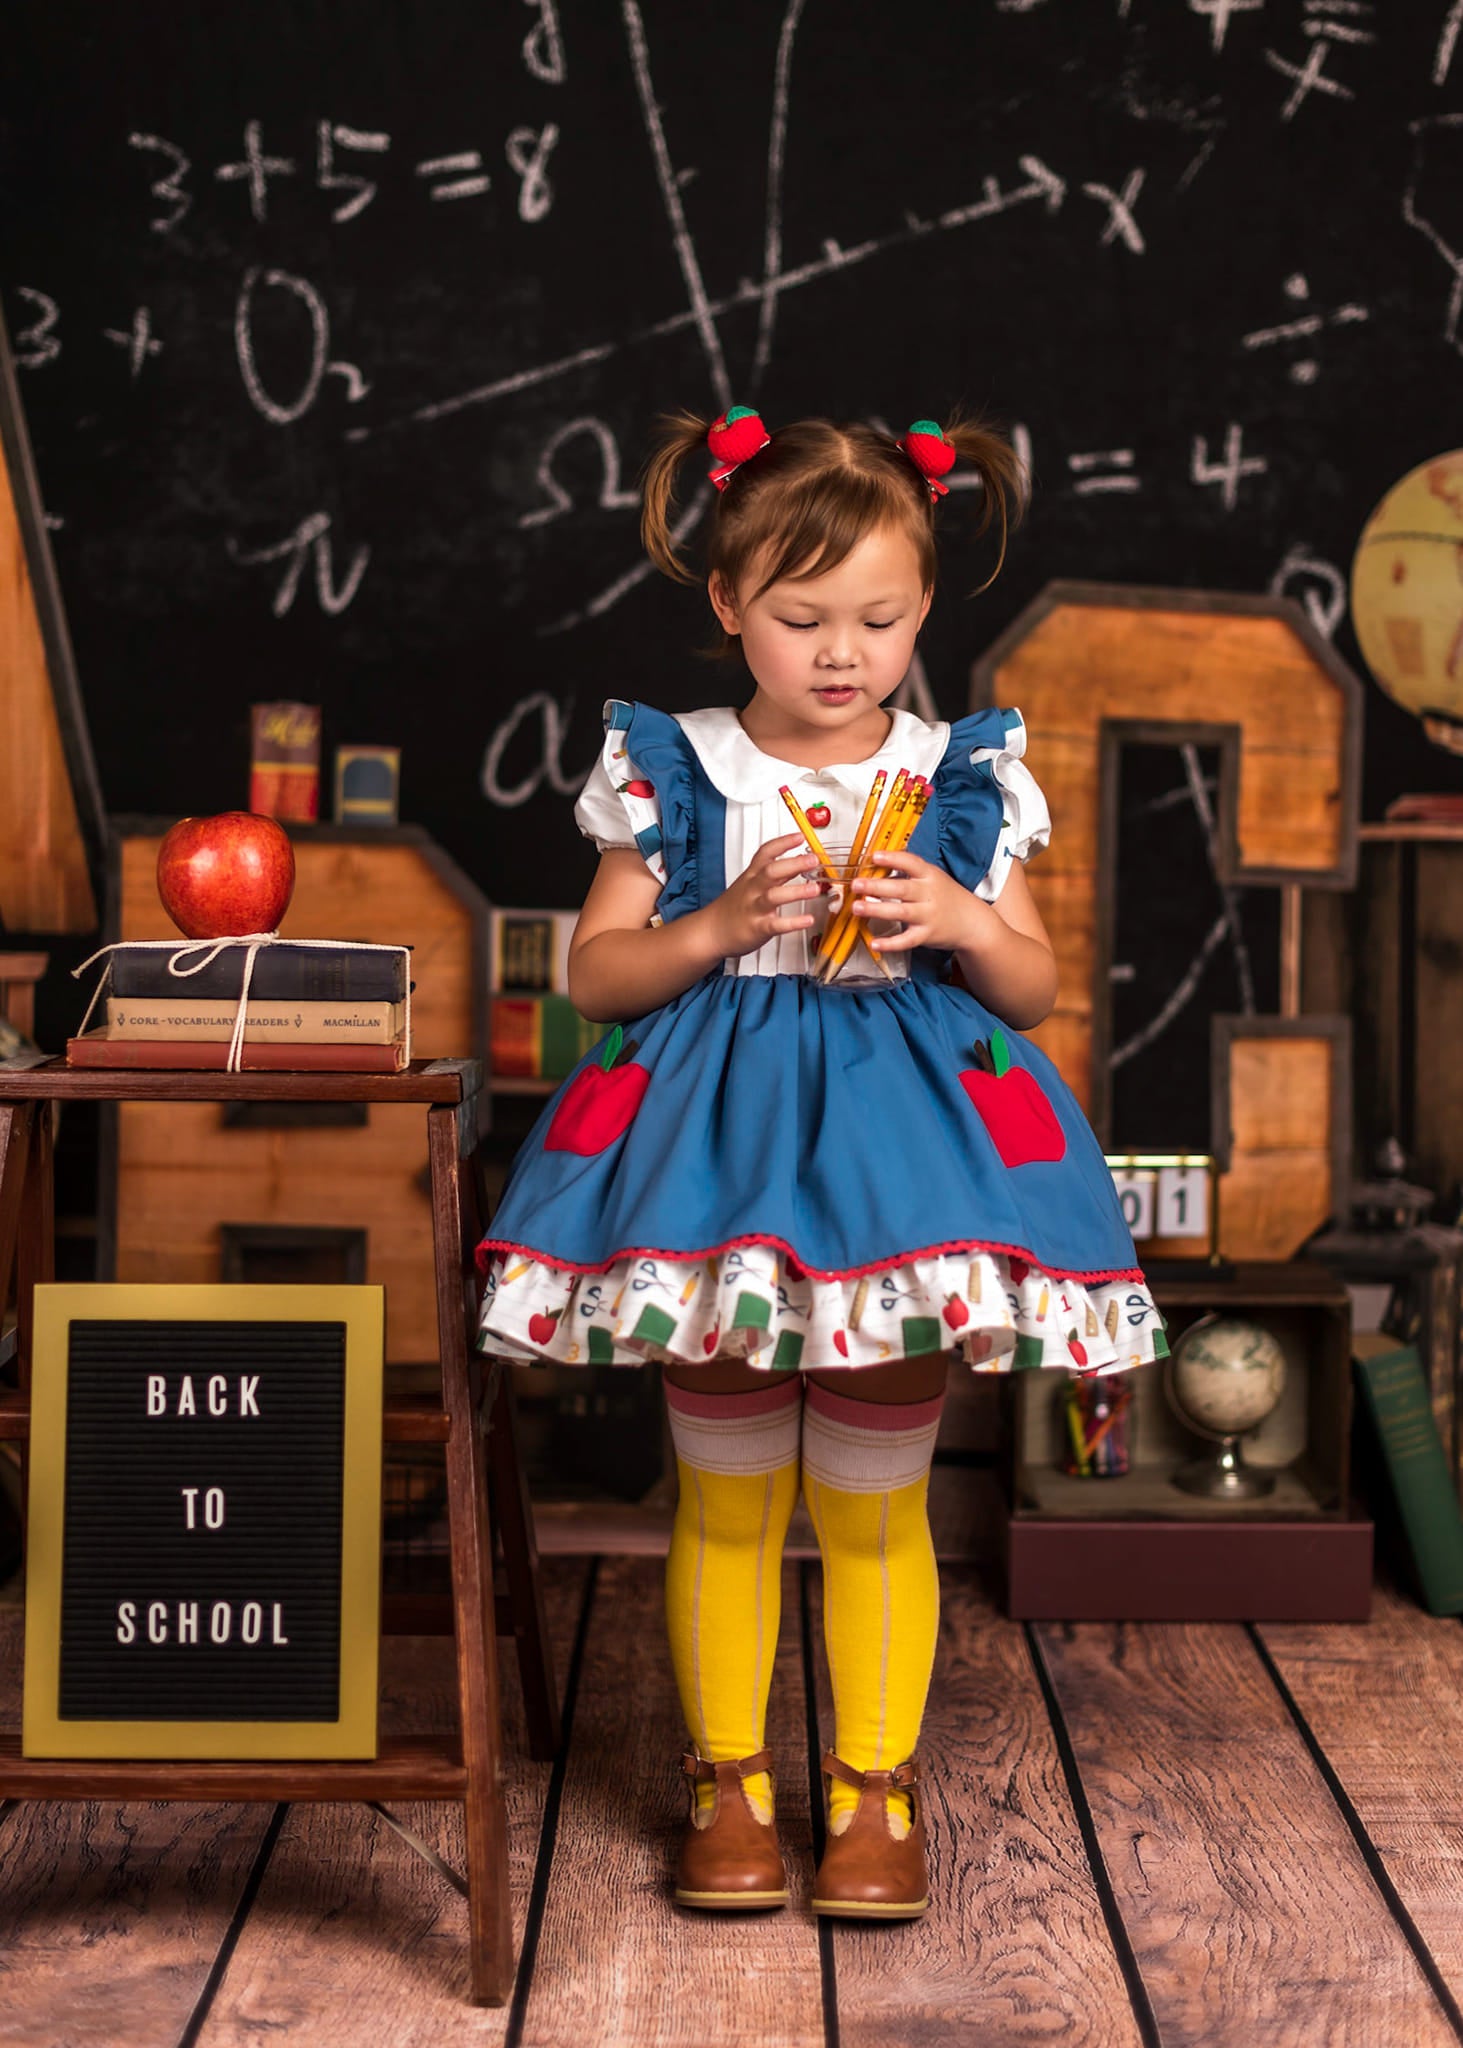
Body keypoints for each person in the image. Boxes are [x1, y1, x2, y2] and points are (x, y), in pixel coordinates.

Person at [475, 406, 1164, 1921]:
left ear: (923, 607)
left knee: (868, 1503)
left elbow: (1036, 991)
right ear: (728, 606)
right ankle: (728, 1783)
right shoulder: (677, 767)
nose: (842, 652)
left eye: (880, 617)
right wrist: (717, 926)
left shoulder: (958, 774)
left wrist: (962, 919)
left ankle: (872, 1790)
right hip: (709, 1178)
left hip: (899, 1179)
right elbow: (596, 979)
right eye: (800, 619)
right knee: (723, 1498)